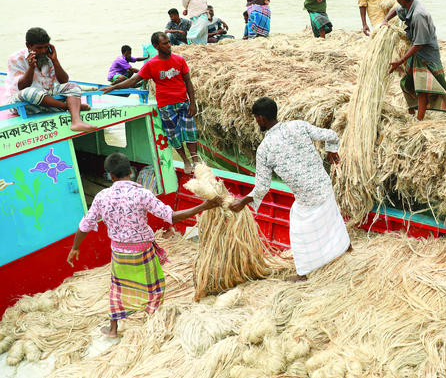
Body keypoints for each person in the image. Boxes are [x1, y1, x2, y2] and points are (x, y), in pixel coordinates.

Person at [67, 152, 221, 338]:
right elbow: (171, 216)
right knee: (154, 287)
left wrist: (75, 247)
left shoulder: (102, 197)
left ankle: (113, 329)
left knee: (118, 288)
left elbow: (84, 225)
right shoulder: (142, 194)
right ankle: (153, 322)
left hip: (119, 252)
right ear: (130, 172)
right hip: (142, 250)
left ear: (111, 176)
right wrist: (203, 207)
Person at [230, 98, 351, 282]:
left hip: (306, 196)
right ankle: (346, 247)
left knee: (298, 230)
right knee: (333, 216)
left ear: (261, 118)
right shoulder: (298, 125)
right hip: (324, 185)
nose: (256, 122)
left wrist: (243, 201)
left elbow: (262, 187)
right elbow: (332, 135)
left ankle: (302, 274)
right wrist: (331, 151)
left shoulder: (265, 149)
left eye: (256, 118)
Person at [102, 32, 200, 174]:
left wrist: (192, 103)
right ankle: (186, 161)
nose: (169, 45)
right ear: (156, 46)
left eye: (168, 42)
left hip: (183, 103)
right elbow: (133, 81)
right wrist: (114, 87)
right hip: (165, 106)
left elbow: (188, 82)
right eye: (165, 43)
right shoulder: (151, 65)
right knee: (174, 136)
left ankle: (196, 162)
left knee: (190, 132)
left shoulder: (179, 60)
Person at [3, 27, 97, 133]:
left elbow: (64, 81)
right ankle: (70, 106)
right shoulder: (15, 58)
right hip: (22, 103)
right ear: (28, 45)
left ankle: (76, 121)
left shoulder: (48, 56)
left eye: (46, 47)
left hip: (47, 99)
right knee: (29, 92)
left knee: (73, 86)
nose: (43, 51)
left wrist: (55, 60)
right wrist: (31, 67)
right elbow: (22, 87)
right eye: (39, 48)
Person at [381, 0, 446, 121]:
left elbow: (419, 44)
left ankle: (419, 122)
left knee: (422, 91)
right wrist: (385, 20)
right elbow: (396, 10)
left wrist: (400, 61)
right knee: (407, 83)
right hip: (416, 54)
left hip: (426, 55)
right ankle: (412, 114)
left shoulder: (418, 15)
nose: (396, 1)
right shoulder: (408, 6)